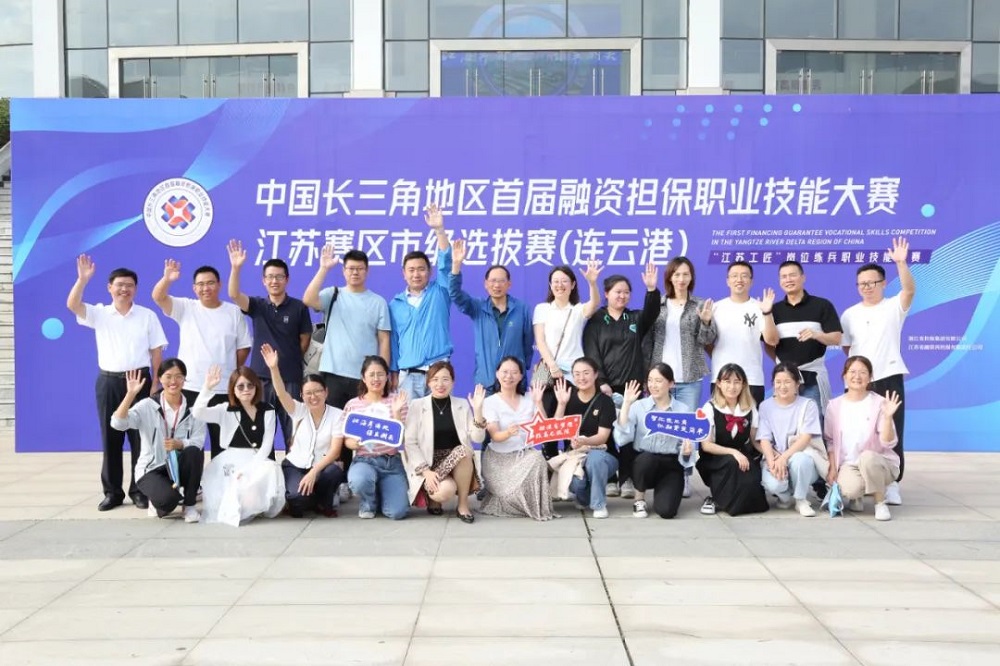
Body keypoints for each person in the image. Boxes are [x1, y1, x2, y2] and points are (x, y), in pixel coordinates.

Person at [67, 255, 168, 511]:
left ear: (136, 288)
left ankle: (139, 490)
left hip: (141, 381)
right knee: (110, 438)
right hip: (109, 381)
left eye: (129, 285)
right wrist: (82, 280)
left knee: (140, 439)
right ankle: (112, 492)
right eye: (119, 285)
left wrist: (155, 383)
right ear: (109, 287)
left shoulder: (147, 316)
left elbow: (157, 352)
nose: (124, 289)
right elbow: (73, 304)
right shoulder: (100, 313)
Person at [840, 237, 915, 507]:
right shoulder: (849, 314)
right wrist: (859, 375)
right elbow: (848, 348)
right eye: (862, 284)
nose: (867, 287)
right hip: (860, 382)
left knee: (893, 431)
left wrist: (901, 262)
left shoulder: (893, 306)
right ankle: (860, 481)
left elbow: (909, 290)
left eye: (872, 283)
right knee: (860, 433)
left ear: (883, 283)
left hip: (889, 377)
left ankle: (892, 483)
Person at [153, 260, 251, 459]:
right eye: (201, 284)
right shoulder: (186, 307)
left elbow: (243, 347)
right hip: (191, 387)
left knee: (223, 445)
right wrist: (167, 279)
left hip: (223, 388)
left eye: (210, 283)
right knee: (188, 443)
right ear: (194, 288)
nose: (206, 288)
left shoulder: (233, 312)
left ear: (219, 285)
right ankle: (191, 478)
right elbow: (158, 297)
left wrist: (229, 370)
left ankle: (219, 479)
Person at [582, 265, 661, 498]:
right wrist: (601, 381)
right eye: (617, 292)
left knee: (628, 434)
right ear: (606, 294)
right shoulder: (596, 320)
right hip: (605, 387)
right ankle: (610, 478)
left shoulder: (634, 317)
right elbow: (591, 352)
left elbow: (652, 313)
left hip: (631, 388)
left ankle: (627, 478)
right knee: (606, 433)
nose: (622, 296)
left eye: (626, 292)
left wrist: (651, 290)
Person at [227, 241, 312, 452]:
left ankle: (292, 470)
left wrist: (289, 357)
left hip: (290, 378)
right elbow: (234, 295)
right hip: (261, 378)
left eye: (279, 277)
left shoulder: (299, 307)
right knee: (261, 432)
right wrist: (236, 268)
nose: (275, 281)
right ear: (264, 280)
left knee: (293, 431)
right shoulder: (258, 305)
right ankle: (265, 469)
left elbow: (305, 339)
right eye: (270, 277)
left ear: (287, 279)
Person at [647, 256, 717, 498]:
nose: (681, 279)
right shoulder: (659, 304)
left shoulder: (700, 304)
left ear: (691, 278)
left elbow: (707, 340)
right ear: (669, 277)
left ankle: (685, 475)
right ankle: (665, 477)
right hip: (661, 378)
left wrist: (706, 322)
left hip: (689, 376)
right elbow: (648, 338)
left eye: (686, 274)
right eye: (677, 274)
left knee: (686, 429)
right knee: (662, 427)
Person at [110, 360, 205, 522]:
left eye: (178, 376)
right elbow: (117, 423)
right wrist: (130, 394)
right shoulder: (147, 405)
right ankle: (160, 499)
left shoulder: (194, 408)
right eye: (168, 376)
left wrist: (180, 444)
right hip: (151, 468)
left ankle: (189, 506)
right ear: (160, 378)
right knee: (168, 501)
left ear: (184, 379)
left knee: (194, 452)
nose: (173, 381)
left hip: (178, 466)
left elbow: (199, 441)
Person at [192, 365, 284, 525]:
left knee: (270, 470)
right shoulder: (225, 409)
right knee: (237, 499)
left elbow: (267, 445)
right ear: (233, 389)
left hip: (257, 459)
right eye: (240, 386)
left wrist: (248, 470)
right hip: (230, 460)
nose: (246, 390)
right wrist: (207, 387)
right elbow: (198, 412)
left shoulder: (267, 410)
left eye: (250, 385)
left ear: (256, 387)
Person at [261, 344, 344, 518]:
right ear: (302, 395)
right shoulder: (298, 410)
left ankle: (323, 500)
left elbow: (335, 451)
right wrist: (274, 368)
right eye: (308, 393)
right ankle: (315, 498)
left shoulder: (337, 415)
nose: (313, 397)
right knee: (296, 499)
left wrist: (314, 471)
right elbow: (281, 393)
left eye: (318, 391)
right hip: (296, 465)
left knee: (334, 471)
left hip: (322, 467)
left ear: (326, 392)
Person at [302, 247, 390, 409]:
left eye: (360, 268)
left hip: (364, 376)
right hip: (333, 373)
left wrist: (383, 373)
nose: (355, 272)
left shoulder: (378, 302)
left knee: (360, 422)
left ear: (367, 271)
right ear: (344, 271)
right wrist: (323, 268)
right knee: (333, 422)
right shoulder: (333, 294)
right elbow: (308, 300)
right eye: (351, 268)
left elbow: (384, 340)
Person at [532, 262, 602, 458]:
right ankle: (550, 460)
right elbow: (540, 340)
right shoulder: (542, 309)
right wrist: (553, 366)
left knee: (571, 421)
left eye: (564, 281)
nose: (559, 285)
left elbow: (595, 303)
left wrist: (592, 282)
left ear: (573, 284)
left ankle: (571, 462)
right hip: (548, 372)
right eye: (555, 281)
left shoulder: (578, 310)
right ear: (550, 284)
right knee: (548, 421)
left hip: (574, 375)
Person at [403, 361, 487, 523]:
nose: (440, 384)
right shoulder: (417, 405)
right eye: (435, 379)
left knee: (464, 451)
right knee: (445, 491)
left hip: (458, 461)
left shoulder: (462, 404)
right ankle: (433, 495)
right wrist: (426, 472)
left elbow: (478, 438)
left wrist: (478, 411)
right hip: (429, 463)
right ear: (428, 382)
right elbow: (410, 443)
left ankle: (463, 505)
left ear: (453, 382)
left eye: (445, 379)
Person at [448, 239, 534, 393]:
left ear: (509, 284)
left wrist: (521, 368)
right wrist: (456, 265)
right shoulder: (477, 307)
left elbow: (528, 344)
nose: (497, 285)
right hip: (486, 382)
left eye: (501, 281)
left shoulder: (522, 309)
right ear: (486, 284)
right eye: (493, 281)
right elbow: (455, 294)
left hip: (514, 383)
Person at [824, 356, 901, 521]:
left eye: (863, 372)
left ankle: (880, 502)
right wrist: (833, 468)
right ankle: (857, 496)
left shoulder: (879, 403)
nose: (857, 376)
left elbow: (888, 442)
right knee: (850, 490)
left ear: (870, 377)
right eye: (852, 372)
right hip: (850, 464)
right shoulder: (834, 406)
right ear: (845, 376)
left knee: (867, 458)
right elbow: (830, 440)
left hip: (879, 462)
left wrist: (888, 418)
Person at [761, 260, 842, 418]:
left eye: (792, 275)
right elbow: (769, 343)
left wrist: (817, 334)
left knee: (815, 422)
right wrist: (783, 364)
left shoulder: (822, 305)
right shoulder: (774, 309)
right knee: (784, 422)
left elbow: (836, 338)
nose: (788, 279)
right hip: (785, 379)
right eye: (784, 276)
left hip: (813, 378)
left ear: (803, 277)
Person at [388, 204, 453, 400]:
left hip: (439, 372)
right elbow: (394, 343)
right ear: (404, 273)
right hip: (408, 376)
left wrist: (439, 230)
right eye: (411, 270)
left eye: (421, 269)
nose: (416, 274)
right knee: (408, 419)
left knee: (441, 419)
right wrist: (394, 373)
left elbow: (446, 263)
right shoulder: (395, 304)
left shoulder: (440, 292)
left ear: (429, 272)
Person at [479, 356, 555, 521]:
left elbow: (544, 429)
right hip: (498, 459)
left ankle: (530, 505)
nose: (509, 376)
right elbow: (495, 436)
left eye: (514, 372)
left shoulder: (529, 398)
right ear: (497, 374)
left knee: (537, 458)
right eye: (505, 372)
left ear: (521, 376)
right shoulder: (490, 402)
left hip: (524, 456)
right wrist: (508, 433)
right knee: (510, 498)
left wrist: (538, 402)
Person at [615, 364, 694, 519]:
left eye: (658, 381)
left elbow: (687, 447)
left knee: (667, 511)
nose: (653, 385)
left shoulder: (683, 410)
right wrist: (626, 404)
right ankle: (639, 499)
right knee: (646, 459)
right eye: (650, 380)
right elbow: (622, 438)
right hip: (644, 461)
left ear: (671, 384)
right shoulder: (639, 406)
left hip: (670, 464)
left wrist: (686, 453)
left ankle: (664, 490)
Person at [695, 363, 769, 517]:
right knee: (731, 463)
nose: (732, 387)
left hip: (741, 456)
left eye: (737, 382)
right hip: (715, 458)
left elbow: (755, 440)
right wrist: (734, 453)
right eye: (727, 382)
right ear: (719, 384)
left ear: (743, 385)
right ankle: (716, 499)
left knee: (753, 488)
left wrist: (772, 455)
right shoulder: (709, 408)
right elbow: (706, 445)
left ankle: (724, 499)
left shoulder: (750, 408)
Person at [342, 356, 410, 519]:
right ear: (363, 377)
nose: (376, 379)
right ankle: (368, 502)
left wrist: (396, 413)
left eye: (380, 374)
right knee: (359, 480)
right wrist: (353, 443)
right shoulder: (353, 405)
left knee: (397, 512)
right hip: (364, 460)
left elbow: (401, 439)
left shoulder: (398, 401)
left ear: (387, 377)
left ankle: (381, 492)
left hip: (391, 463)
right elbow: (346, 440)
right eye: (371, 374)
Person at [551, 359, 618, 519]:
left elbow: (602, 437)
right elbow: (557, 429)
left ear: (595, 375)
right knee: (578, 485)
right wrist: (561, 404)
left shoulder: (605, 401)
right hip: (575, 457)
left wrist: (584, 441)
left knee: (595, 460)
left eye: (586, 373)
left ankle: (599, 505)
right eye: (577, 374)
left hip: (603, 455)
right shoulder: (568, 398)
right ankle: (584, 497)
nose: (581, 378)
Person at [757, 362, 824, 517]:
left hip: (800, 458)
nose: (782, 386)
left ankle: (801, 499)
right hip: (775, 457)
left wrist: (784, 458)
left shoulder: (808, 405)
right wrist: (772, 461)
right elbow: (764, 438)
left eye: (787, 382)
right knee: (774, 485)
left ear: (797, 384)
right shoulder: (765, 406)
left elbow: (805, 438)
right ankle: (786, 498)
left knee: (801, 461)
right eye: (778, 382)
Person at [709, 261, 777, 405]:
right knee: (720, 419)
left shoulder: (760, 307)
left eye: (744, 276)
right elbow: (706, 342)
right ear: (728, 281)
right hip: (722, 379)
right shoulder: (716, 308)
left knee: (752, 419)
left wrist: (767, 312)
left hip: (751, 379)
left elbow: (771, 340)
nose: (739, 280)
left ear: (751, 281)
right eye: (734, 276)